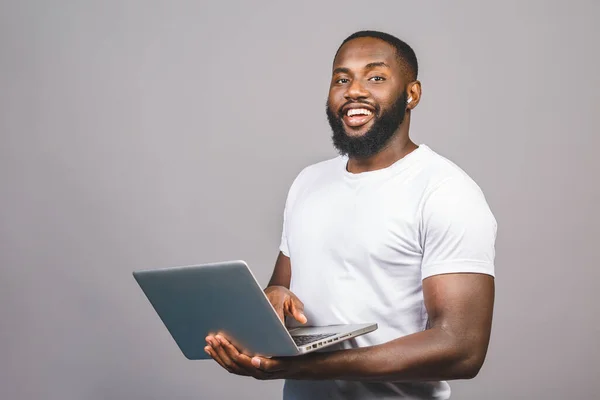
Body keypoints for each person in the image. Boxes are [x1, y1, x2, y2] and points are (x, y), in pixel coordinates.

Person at [204, 30, 497, 400]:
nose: (353, 90)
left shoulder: (445, 191)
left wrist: (305, 368)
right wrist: (272, 299)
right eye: (342, 78)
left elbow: (462, 349)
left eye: (375, 77)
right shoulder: (308, 182)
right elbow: (284, 291)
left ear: (412, 94)